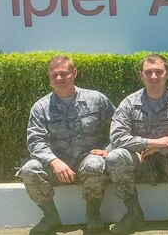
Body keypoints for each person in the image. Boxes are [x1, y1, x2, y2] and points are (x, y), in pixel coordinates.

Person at [17, 55, 115, 234]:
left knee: (94, 164)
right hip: (58, 168)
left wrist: (107, 150)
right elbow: (35, 140)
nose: (59, 78)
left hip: (88, 163)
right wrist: (54, 162)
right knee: (29, 169)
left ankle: (93, 215)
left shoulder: (96, 99)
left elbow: (117, 129)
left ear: (74, 73)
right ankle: (51, 217)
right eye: (54, 75)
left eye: (64, 74)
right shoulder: (41, 107)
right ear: (49, 78)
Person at [105, 54, 168, 234]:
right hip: (139, 163)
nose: (154, 77)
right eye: (149, 72)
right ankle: (133, 214)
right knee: (114, 156)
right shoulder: (129, 102)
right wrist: (150, 143)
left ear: (167, 74)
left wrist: (158, 148)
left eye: (158, 71)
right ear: (141, 75)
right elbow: (117, 136)